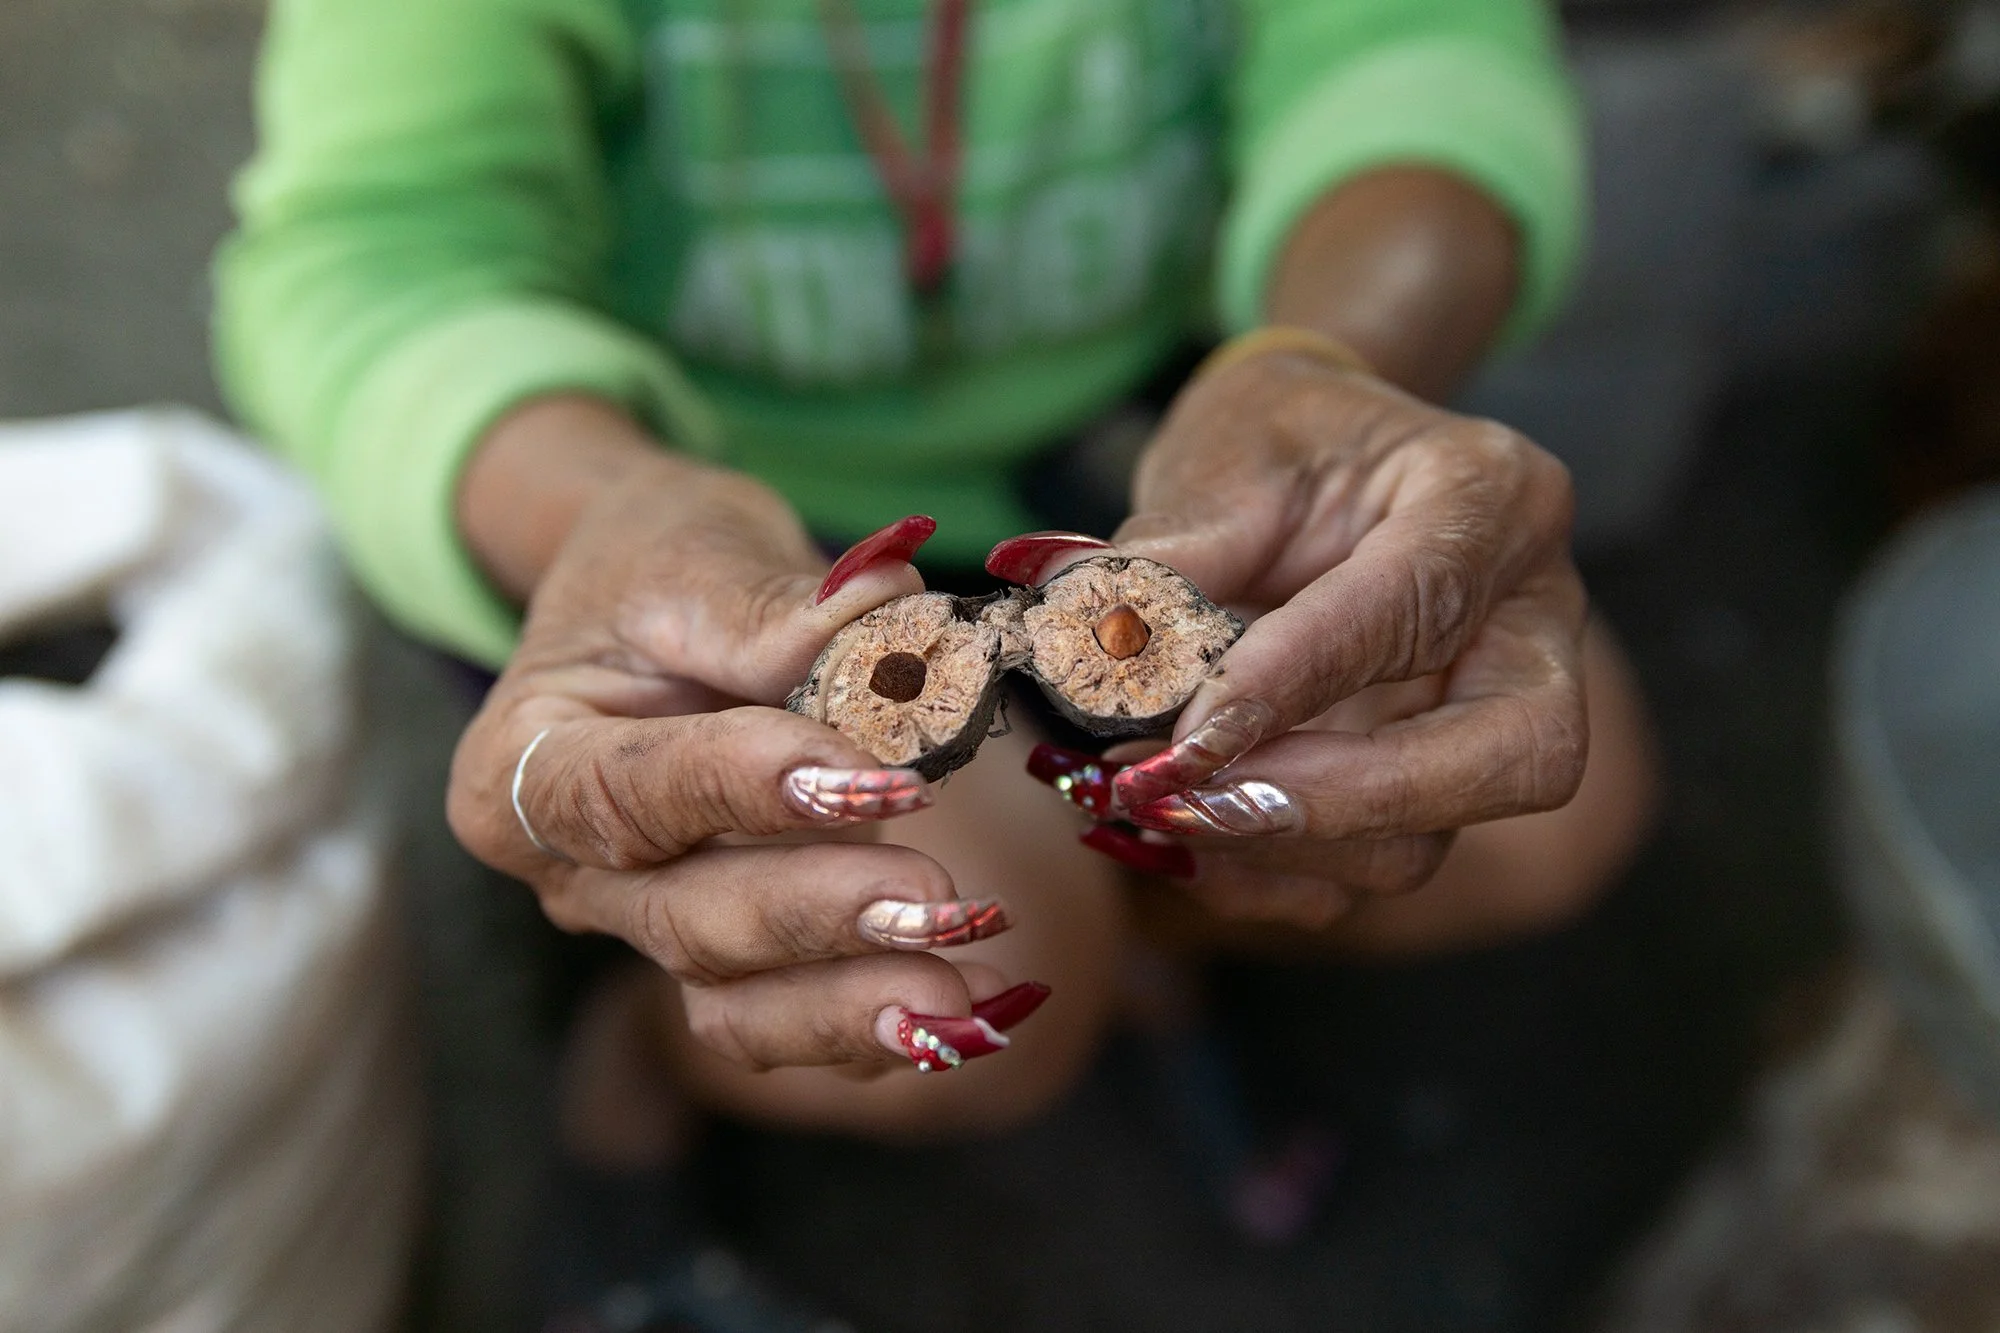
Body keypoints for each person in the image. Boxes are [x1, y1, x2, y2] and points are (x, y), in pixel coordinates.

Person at [216, 0, 1654, 1194]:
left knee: (1538, 809)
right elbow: (378, 256)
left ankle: (1111, 896)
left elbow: (1414, 54)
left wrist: (1328, 365)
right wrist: (607, 508)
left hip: (1154, 464)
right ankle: (675, 1026)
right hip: (739, 534)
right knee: (953, 997)